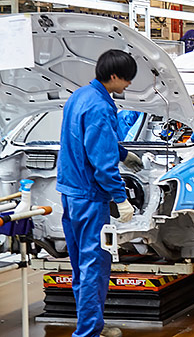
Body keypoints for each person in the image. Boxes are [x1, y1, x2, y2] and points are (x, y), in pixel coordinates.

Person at [57, 49, 144, 337]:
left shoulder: (79, 96)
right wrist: (121, 197)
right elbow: (103, 163)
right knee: (94, 264)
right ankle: (88, 333)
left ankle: (90, 324)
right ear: (114, 76)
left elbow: (89, 140)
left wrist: (123, 152)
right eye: (127, 80)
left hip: (70, 192)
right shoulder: (100, 106)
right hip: (91, 197)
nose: (128, 85)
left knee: (82, 265)